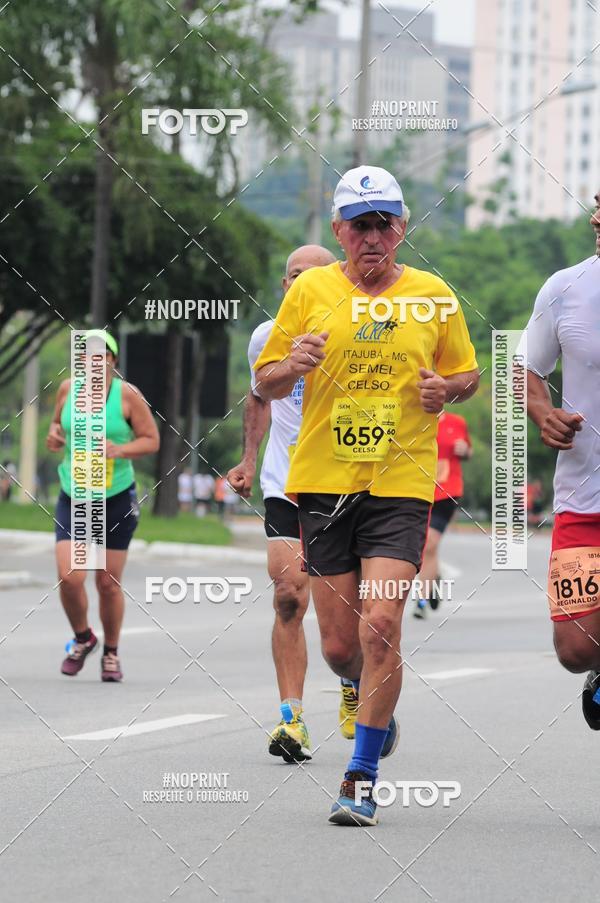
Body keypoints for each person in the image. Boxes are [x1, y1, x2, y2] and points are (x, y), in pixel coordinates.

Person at [254, 165, 479, 825]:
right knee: (339, 647)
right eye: (361, 224)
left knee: (382, 625)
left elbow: (465, 371)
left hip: (401, 484)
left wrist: (447, 390)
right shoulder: (310, 292)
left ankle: (362, 773)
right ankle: (360, 690)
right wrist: (289, 365)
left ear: (403, 227)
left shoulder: (433, 295)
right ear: (339, 230)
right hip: (323, 483)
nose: (373, 235)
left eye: (385, 222)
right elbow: (263, 381)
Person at [228, 244, 345, 764]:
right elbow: (259, 396)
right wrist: (249, 461)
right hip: (286, 480)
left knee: (343, 609)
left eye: (313, 275)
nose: (301, 284)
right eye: (293, 276)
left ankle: (352, 677)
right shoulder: (264, 338)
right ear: (284, 286)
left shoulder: (359, 328)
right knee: (289, 596)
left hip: (345, 480)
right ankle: (291, 720)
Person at [524, 190, 600, 731]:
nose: (596, 217)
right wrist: (542, 410)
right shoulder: (566, 288)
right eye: (598, 204)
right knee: (575, 647)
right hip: (583, 496)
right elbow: (524, 367)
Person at [46, 329, 160, 682]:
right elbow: (56, 424)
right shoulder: (68, 390)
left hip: (115, 497)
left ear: (112, 361)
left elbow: (152, 440)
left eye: (101, 356)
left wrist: (119, 449)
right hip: (75, 493)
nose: (93, 362)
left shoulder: (126, 396)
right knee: (69, 576)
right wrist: (54, 434)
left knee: (108, 582)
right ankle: (84, 637)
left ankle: (111, 652)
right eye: (86, 356)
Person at [414, 409, 472, 618]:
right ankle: (434, 578)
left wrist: (465, 450)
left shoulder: (457, 422)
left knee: (430, 543)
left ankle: (420, 601)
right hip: (417, 490)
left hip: (447, 492)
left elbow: (468, 451)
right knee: (425, 546)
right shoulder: (412, 417)